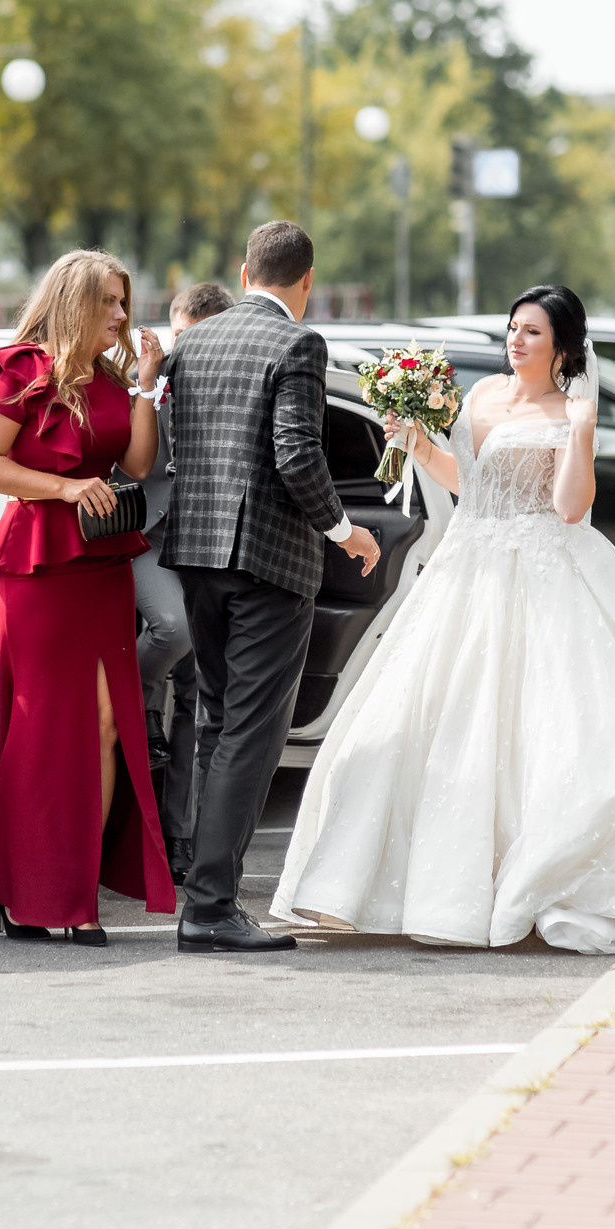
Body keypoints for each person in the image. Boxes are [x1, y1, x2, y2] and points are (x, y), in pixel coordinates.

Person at [271, 285, 615, 952]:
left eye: (533, 333)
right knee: (415, 724)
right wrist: (413, 442)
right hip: (466, 567)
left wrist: (581, 430)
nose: (516, 340)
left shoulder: (569, 409)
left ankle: (512, 876)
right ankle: (380, 886)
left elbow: (571, 507)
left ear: (564, 347)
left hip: (539, 572)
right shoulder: (483, 393)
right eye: (514, 328)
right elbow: (467, 478)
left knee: (530, 731)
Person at [163, 221, 380, 953]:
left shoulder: (191, 340)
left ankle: (200, 884)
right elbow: (296, 453)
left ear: (243, 268)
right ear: (307, 278)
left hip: (195, 556)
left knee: (219, 725)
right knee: (251, 735)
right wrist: (345, 529)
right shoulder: (299, 343)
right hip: (269, 563)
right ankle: (211, 906)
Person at [0, 250, 177, 943]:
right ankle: (30, 894)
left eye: (124, 301)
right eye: (108, 302)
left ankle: (75, 890)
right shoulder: (23, 371)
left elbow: (138, 465)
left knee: (109, 726)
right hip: (38, 568)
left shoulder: (113, 377)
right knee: (45, 729)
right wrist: (61, 486)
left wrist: (146, 385)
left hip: (101, 564)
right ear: (73, 301)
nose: (120, 315)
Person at [135, 280, 234, 885]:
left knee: (199, 704)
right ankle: (139, 696)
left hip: (205, 546)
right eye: (179, 338)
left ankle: (182, 838)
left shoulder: (234, 383)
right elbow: (130, 461)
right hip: (145, 538)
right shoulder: (149, 379)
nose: (183, 352)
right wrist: (147, 387)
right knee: (171, 629)